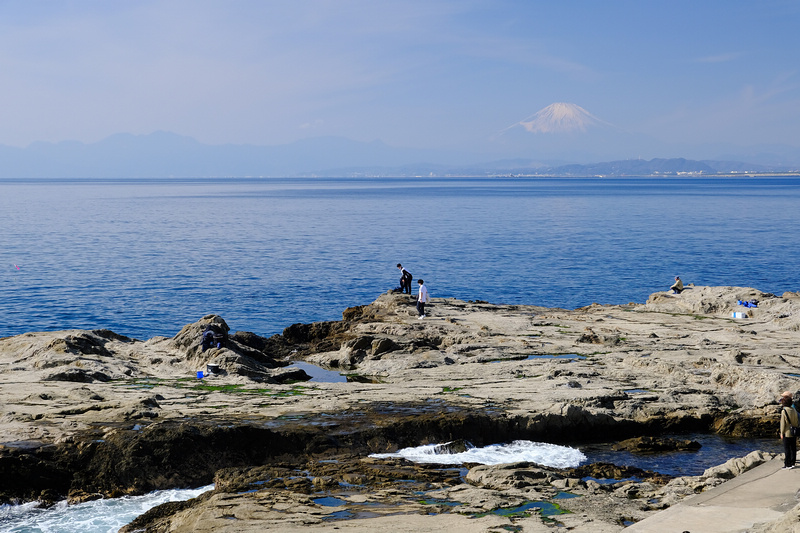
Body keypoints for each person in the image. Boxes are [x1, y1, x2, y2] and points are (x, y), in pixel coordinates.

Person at [779, 391, 798, 469]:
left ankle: (788, 464)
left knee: (787, 449)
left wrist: (781, 432)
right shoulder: (794, 410)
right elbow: (797, 421)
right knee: (793, 448)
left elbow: (783, 424)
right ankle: (793, 463)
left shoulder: (784, 411)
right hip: (794, 432)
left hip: (787, 432)